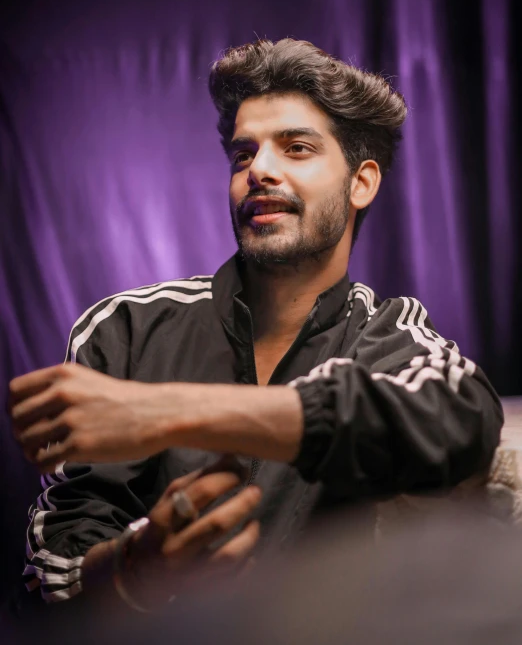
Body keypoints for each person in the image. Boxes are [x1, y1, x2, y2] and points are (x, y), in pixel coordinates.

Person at [9, 38, 503, 614]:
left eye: (295, 148)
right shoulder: (124, 328)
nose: (259, 170)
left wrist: (168, 412)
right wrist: (136, 566)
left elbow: (460, 417)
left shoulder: (388, 333)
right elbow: (55, 563)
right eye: (244, 155)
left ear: (361, 183)